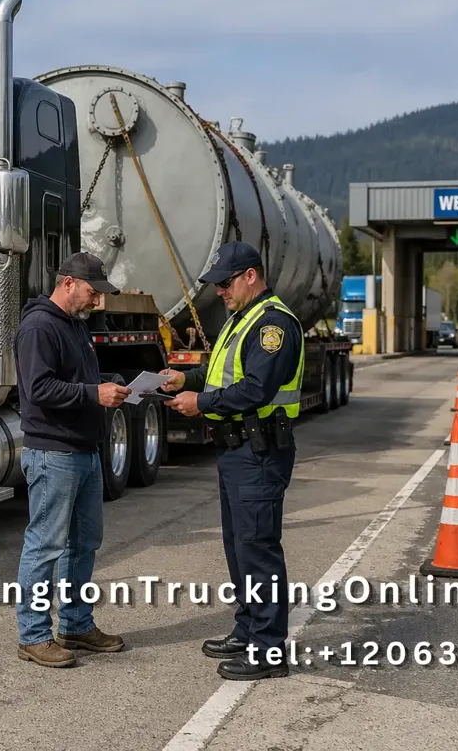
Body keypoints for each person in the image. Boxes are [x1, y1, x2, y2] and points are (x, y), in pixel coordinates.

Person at [159, 240, 304, 681]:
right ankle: (248, 629)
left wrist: (200, 402)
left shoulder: (273, 325)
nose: (219, 291)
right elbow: (223, 374)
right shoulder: (242, 319)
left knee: (258, 551)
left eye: (225, 283)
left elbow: (256, 389)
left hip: (259, 451)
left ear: (251, 276)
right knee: (240, 548)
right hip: (237, 449)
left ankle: (269, 650)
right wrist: (186, 379)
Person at [13, 252, 132, 668]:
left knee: (83, 545)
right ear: (67, 283)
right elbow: (39, 389)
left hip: (84, 451)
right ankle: (33, 636)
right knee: (45, 546)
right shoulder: (39, 327)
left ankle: (77, 625)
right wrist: (93, 393)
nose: (97, 300)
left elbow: (75, 381)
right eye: (92, 291)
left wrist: (111, 386)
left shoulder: (74, 325)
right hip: (53, 453)